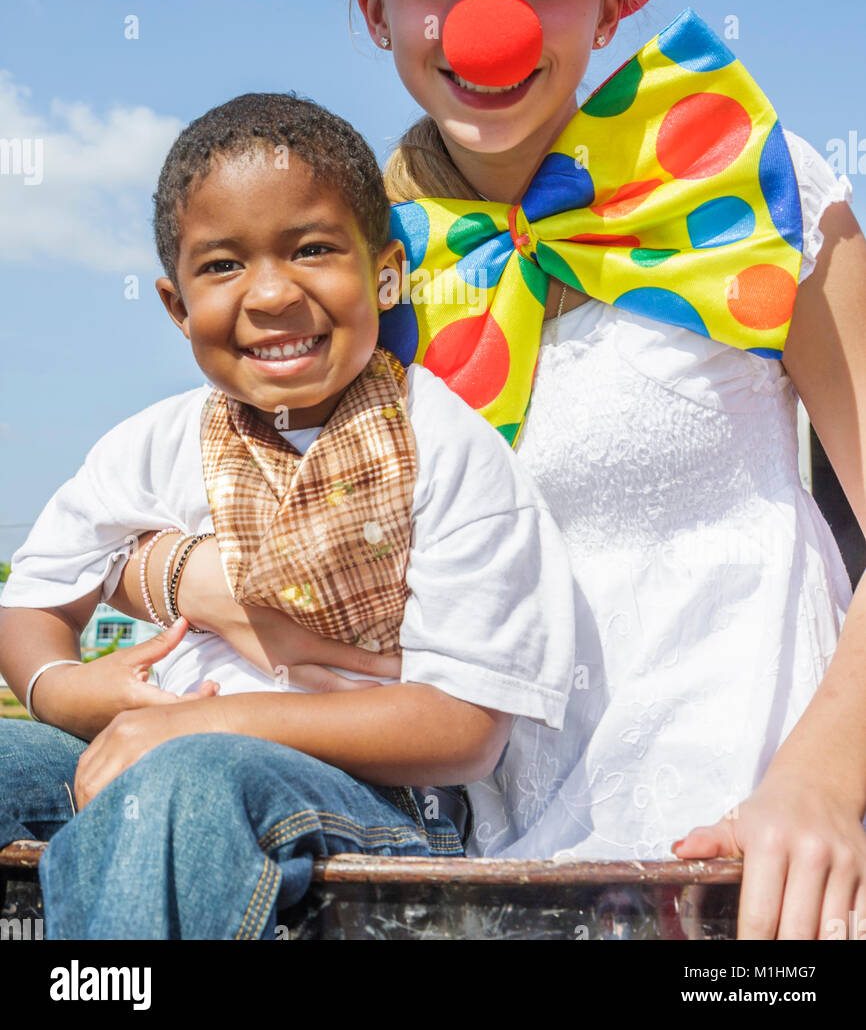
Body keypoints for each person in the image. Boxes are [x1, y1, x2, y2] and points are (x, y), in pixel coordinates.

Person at [301, 0, 866, 939]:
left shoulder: (747, 179)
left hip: (754, 842)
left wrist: (821, 790)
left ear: (613, 3)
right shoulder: (355, 260)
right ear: (371, 1)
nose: (486, 23)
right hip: (469, 862)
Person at [0, 91, 579, 940]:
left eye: (312, 250)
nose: (271, 294)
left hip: (373, 800)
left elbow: (464, 728)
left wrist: (203, 723)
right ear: (175, 304)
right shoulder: (153, 444)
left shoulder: (443, 443)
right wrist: (61, 690)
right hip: (157, 755)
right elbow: (37, 599)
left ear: (384, 272)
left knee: (186, 784)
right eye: (223, 266)